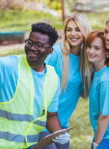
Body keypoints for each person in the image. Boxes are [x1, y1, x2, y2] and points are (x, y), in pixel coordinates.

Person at [0, 22, 70, 149]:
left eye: (39, 45)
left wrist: (59, 134)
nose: (33, 48)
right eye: (30, 43)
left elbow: (51, 116)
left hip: (29, 145)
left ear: (50, 51)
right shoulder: (10, 66)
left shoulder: (52, 77)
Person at [39, 14, 91, 149]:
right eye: (69, 29)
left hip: (61, 124)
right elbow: (35, 80)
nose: (73, 34)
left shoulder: (87, 58)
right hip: (40, 123)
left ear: (85, 31)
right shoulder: (55, 52)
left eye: (78, 29)